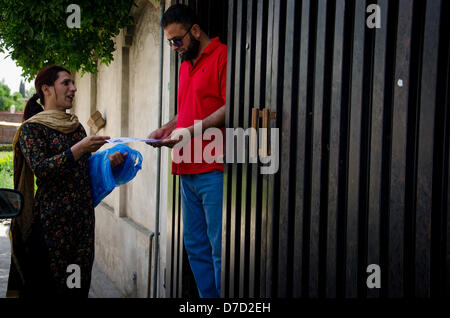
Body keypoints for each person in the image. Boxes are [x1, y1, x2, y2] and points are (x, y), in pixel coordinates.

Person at [7, 65, 127, 298]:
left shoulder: (75, 127)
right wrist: (80, 148)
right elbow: (42, 169)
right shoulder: (32, 129)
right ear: (46, 89)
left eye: (73, 83)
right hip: (51, 226)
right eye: (66, 83)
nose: (73, 88)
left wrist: (107, 163)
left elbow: (83, 171)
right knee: (50, 290)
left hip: (81, 225)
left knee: (76, 290)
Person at [147, 4, 226, 298]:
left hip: (213, 168)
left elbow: (230, 107)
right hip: (184, 167)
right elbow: (185, 112)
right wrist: (167, 128)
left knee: (219, 249)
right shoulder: (184, 65)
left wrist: (189, 131)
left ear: (195, 30)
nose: (174, 47)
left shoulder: (222, 56)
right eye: (169, 42)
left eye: (177, 40)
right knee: (195, 247)